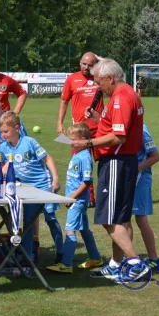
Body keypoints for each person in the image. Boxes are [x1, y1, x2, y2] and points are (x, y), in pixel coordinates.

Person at [70, 58, 150, 283]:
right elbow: (119, 126)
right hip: (124, 162)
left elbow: (118, 137)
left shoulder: (121, 98)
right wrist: (99, 118)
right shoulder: (127, 95)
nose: (98, 87)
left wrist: (86, 144)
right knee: (121, 219)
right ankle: (116, 265)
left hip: (116, 162)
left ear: (110, 78)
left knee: (108, 217)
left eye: (99, 82)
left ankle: (135, 262)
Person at [0, 112, 63, 264]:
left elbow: (48, 158)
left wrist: (55, 178)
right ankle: (28, 257)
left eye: (5, 132)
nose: (3, 135)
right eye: (1, 132)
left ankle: (61, 252)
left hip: (44, 185)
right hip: (27, 189)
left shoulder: (30, 142)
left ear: (17, 128)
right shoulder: (4, 147)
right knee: (28, 222)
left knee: (50, 218)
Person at [46, 122, 104, 274]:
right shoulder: (78, 155)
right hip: (76, 200)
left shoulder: (84, 158)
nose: (70, 142)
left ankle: (66, 264)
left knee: (70, 231)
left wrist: (71, 197)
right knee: (84, 229)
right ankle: (96, 257)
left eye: (73, 139)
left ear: (83, 139)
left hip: (76, 201)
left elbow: (87, 181)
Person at [57, 51, 102, 207]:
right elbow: (64, 102)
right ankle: (88, 198)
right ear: (79, 62)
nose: (86, 67)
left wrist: (101, 60)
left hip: (100, 129)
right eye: (84, 63)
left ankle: (105, 194)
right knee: (81, 165)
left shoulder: (101, 77)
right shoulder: (72, 79)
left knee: (104, 163)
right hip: (79, 133)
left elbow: (116, 70)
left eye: (90, 65)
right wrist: (59, 123)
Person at [127, 123, 159, 270]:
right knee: (125, 219)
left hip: (140, 179)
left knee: (141, 219)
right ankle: (128, 258)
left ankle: (153, 258)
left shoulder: (141, 130)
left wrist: (137, 169)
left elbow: (155, 156)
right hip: (127, 179)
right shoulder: (123, 126)